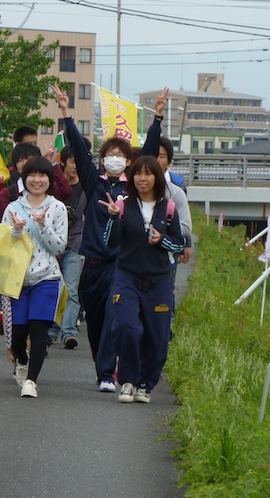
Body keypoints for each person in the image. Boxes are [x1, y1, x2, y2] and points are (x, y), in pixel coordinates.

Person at [54, 84, 168, 393]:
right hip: (92, 263)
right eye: (110, 155)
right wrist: (66, 113)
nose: (115, 159)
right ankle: (103, 366)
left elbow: (149, 154)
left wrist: (157, 119)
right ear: (102, 160)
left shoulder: (133, 187)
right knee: (95, 322)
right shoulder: (95, 184)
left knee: (114, 318)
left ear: (129, 162)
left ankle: (108, 373)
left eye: (120, 156)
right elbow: (79, 151)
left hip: (121, 265)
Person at [99, 155, 186, 404]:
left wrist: (162, 240)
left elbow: (179, 244)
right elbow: (109, 242)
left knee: (157, 336)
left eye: (148, 173)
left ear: (157, 178)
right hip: (126, 277)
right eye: (138, 173)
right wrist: (113, 217)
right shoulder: (123, 206)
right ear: (132, 177)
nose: (142, 178)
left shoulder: (168, 209)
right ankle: (127, 380)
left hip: (159, 280)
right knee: (126, 327)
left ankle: (145, 384)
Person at [2, 156, 68, 398]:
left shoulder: (58, 208)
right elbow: (3, 245)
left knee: (39, 330)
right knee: (18, 334)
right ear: (24, 178)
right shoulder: (12, 208)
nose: (37, 180)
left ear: (50, 179)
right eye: (32, 175)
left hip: (47, 278)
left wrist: (43, 227)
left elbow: (59, 247)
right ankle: (22, 360)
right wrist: (16, 231)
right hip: (17, 280)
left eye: (42, 175)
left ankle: (31, 381)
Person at [47, 139, 90, 349]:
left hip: (75, 244)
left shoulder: (87, 186)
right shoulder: (53, 185)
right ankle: (53, 329)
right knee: (54, 289)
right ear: (63, 162)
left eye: (79, 161)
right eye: (72, 161)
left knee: (71, 289)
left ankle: (68, 332)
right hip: (52, 245)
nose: (76, 166)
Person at [156, 137, 193, 266]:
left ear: (169, 162)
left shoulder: (177, 188)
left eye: (161, 156)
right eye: (153, 155)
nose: (156, 160)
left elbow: (185, 224)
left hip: (167, 257)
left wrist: (187, 244)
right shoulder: (135, 187)